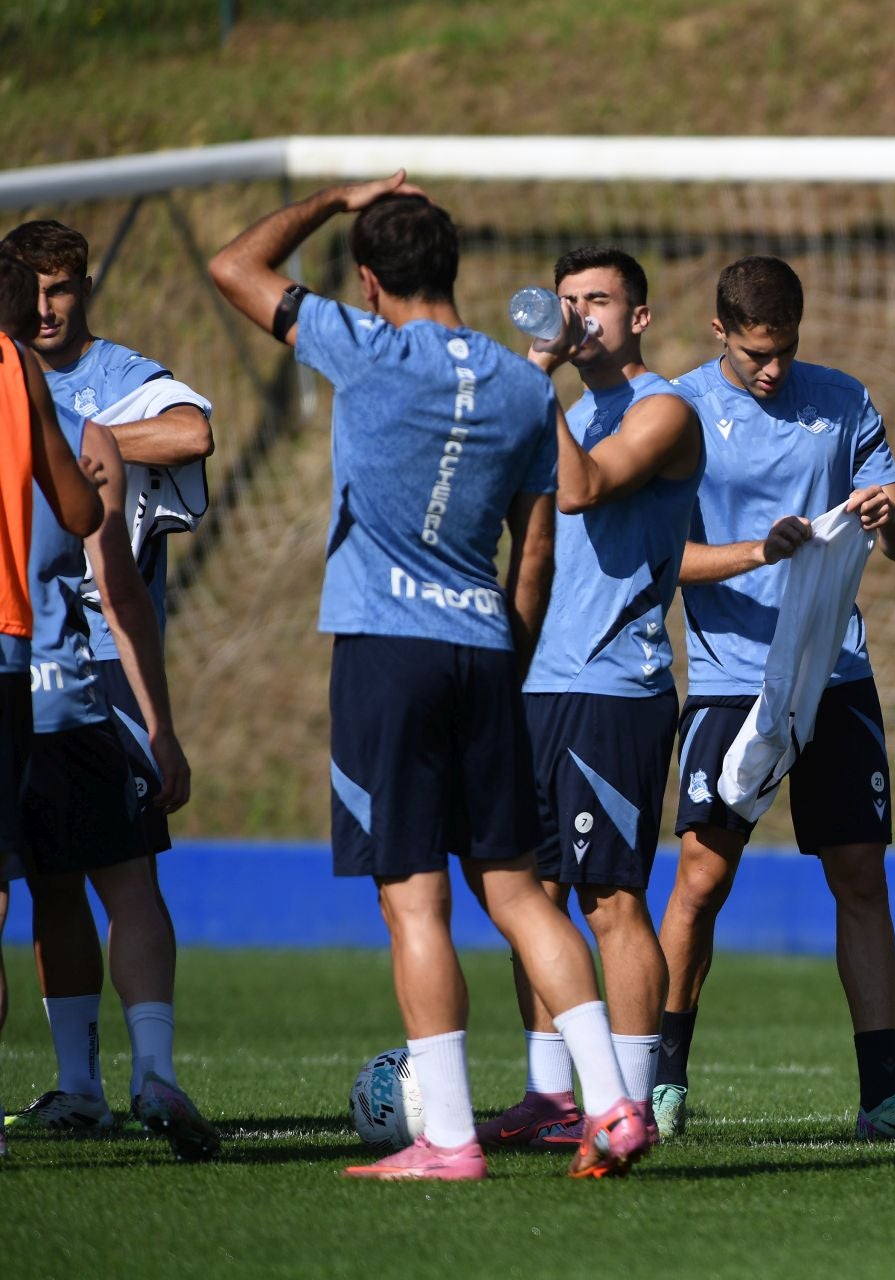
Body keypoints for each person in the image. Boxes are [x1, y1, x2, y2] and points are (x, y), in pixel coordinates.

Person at [208, 171, 653, 1180]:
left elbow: (234, 265)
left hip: (386, 650)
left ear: (369, 282)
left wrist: (328, 196)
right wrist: (511, 652)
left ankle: (447, 1137)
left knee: (414, 900)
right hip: (487, 651)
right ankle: (614, 1101)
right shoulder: (523, 384)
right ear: (452, 268)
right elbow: (533, 549)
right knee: (522, 892)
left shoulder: (360, 346)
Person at [657, 255, 895, 1140]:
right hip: (732, 681)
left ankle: (880, 1094)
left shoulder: (844, 400)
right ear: (719, 333)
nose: (773, 369)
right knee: (702, 875)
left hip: (835, 675)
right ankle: (664, 1078)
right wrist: (756, 552)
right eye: (756, 353)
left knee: (860, 875)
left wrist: (893, 520)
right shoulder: (677, 409)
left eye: (786, 350)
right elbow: (659, 562)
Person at [477, 246, 702, 1149]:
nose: (576, 318)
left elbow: (581, 491)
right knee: (530, 893)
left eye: (596, 302)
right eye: (565, 302)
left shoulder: (665, 411)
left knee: (611, 898)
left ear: (637, 317)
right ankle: (550, 1095)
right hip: (535, 686)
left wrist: (535, 389)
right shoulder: (570, 409)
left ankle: (633, 1099)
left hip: (612, 689)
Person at [1, 220, 213, 1140]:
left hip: (98, 677)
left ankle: (149, 1073)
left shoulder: (112, 379)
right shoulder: (35, 402)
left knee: (118, 877)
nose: (46, 309)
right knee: (60, 883)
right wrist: (57, 435)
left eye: (61, 290)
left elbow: (193, 428)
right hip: (64, 671)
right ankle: (87, 1083)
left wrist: (86, 432)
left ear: (84, 290)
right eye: (32, 292)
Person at [0, 253, 107, 1158]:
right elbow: (79, 512)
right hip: (11, 647)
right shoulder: (18, 370)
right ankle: (92, 1081)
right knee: (27, 884)